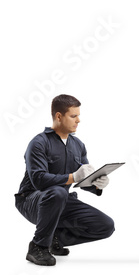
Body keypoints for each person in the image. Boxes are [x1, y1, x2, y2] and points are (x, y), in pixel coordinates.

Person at [14, 94, 115, 266]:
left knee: (105, 225)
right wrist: (73, 177)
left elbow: (83, 180)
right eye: (73, 116)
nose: (79, 120)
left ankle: (54, 238)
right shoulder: (39, 143)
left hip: (60, 200)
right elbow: (39, 180)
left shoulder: (78, 145)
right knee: (58, 192)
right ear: (59, 116)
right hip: (31, 200)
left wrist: (96, 184)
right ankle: (38, 246)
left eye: (79, 115)